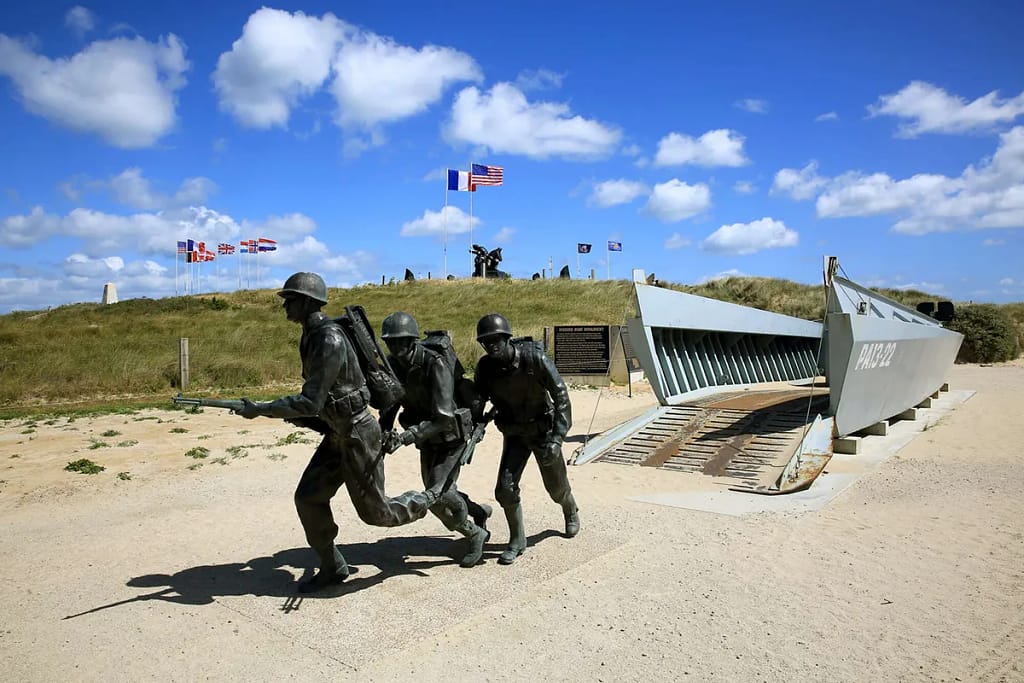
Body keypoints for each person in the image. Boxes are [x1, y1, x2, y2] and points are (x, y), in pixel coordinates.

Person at [237, 272, 436, 593]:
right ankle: (332, 566)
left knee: (377, 514)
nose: (285, 305)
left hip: (358, 433)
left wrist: (261, 408)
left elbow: (310, 400)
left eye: (290, 299)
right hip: (337, 431)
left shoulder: (329, 339)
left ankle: (425, 499)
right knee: (308, 498)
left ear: (307, 302)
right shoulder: (310, 335)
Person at [378, 312, 492, 568]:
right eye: (390, 343)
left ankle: (475, 534)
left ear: (412, 340)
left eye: (401, 342)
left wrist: (407, 436)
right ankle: (478, 511)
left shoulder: (435, 363)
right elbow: (391, 402)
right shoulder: (393, 365)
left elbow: (443, 417)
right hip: (426, 439)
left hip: (451, 436)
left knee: (436, 496)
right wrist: (384, 431)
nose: (395, 348)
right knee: (441, 488)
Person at [473, 313, 579, 565]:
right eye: (486, 342)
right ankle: (517, 540)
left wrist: (557, 438)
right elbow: (478, 402)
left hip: (543, 432)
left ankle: (570, 508)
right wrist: (475, 424)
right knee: (504, 490)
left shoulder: (535, 358)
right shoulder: (485, 368)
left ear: (507, 338)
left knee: (556, 488)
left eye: (496, 340)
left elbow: (561, 397)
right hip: (515, 434)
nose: (492, 346)